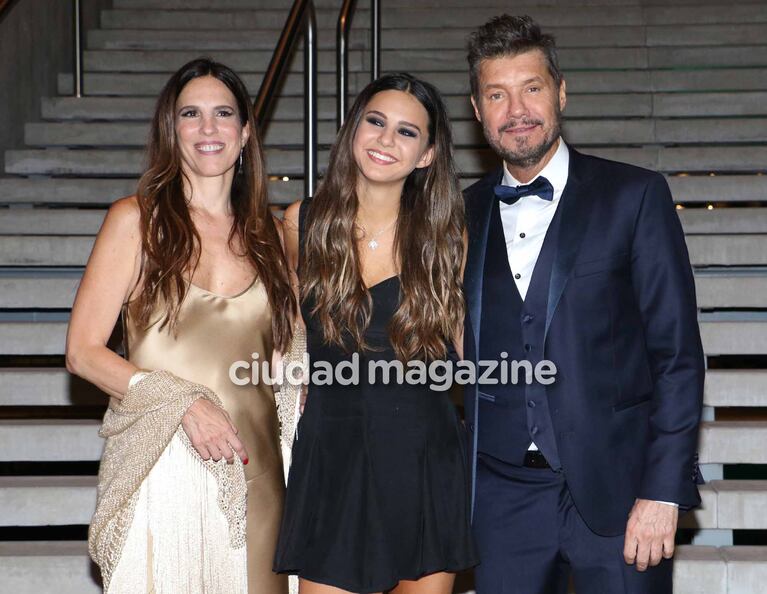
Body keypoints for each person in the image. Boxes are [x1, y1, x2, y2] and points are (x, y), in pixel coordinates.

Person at [461, 15, 704, 594]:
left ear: (561, 93)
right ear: (476, 110)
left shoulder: (634, 195)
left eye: (532, 88)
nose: (516, 110)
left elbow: (677, 356)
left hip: (621, 492)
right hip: (501, 500)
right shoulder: (458, 214)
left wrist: (663, 490)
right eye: (497, 94)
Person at [65, 58, 295, 593]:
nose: (208, 127)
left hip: (258, 468)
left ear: (245, 133)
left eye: (223, 114)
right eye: (191, 114)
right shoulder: (136, 220)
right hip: (163, 461)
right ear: (172, 130)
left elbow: (285, 353)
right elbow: (82, 351)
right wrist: (183, 401)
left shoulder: (274, 234)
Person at [273, 73, 477, 594]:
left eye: (407, 132)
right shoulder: (303, 224)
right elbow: (289, 331)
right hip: (332, 455)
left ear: (427, 155)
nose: (386, 140)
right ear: (354, 130)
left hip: (423, 456)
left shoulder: (447, 237)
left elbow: (466, 348)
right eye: (376, 121)